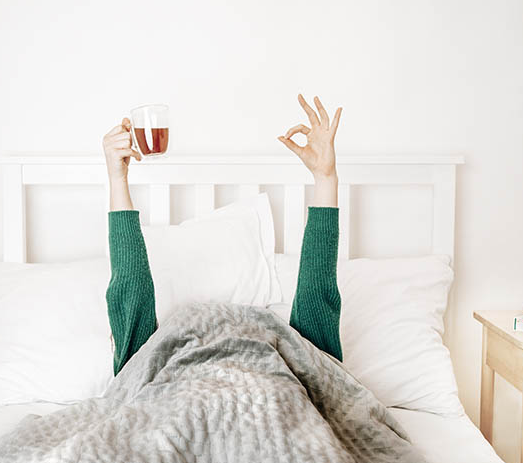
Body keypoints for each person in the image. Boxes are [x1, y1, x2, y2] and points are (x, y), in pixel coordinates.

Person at [102, 95, 343, 375]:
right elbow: (130, 294)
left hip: (270, 397)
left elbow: (318, 320)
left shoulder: (288, 355)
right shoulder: (150, 365)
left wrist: (326, 178)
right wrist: (117, 179)